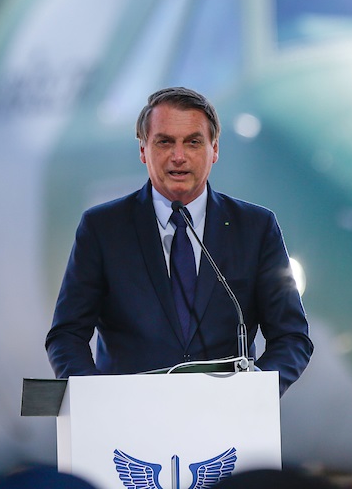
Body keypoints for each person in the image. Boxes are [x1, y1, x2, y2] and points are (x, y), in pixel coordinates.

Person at [45, 86, 313, 394]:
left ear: (214, 149)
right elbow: (66, 336)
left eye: (193, 142)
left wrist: (255, 395)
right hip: (128, 426)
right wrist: (95, 399)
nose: (179, 156)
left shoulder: (255, 227)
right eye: (164, 142)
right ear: (143, 149)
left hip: (228, 425)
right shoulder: (102, 228)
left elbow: (292, 337)